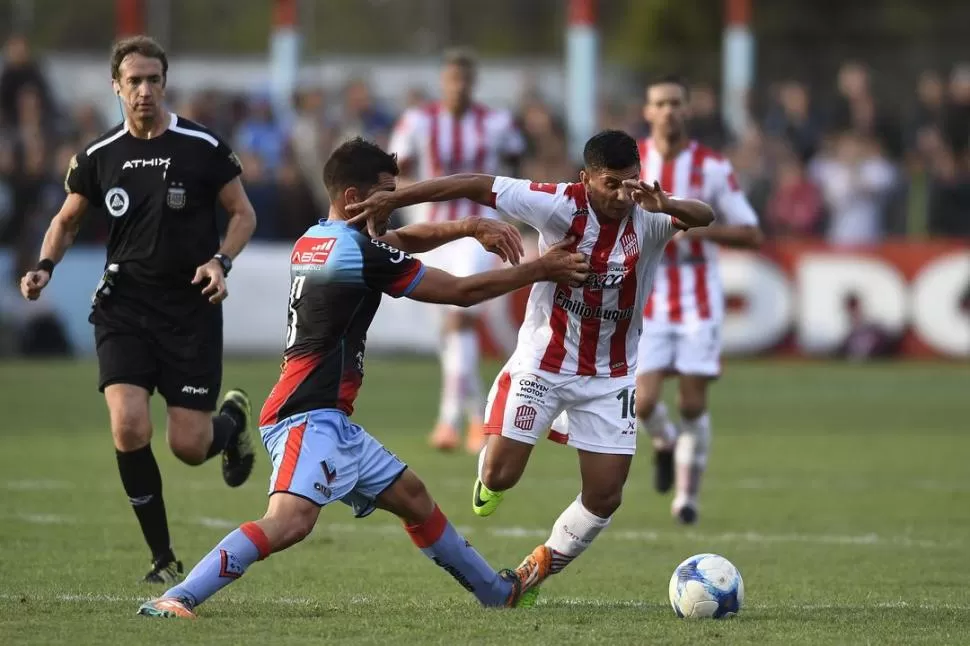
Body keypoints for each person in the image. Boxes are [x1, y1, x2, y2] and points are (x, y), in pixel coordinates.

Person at [136, 137, 590, 618]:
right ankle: (178, 596)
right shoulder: (355, 253)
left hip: (328, 416)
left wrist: (470, 226)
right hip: (305, 414)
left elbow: (398, 241)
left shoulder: (319, 238)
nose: (393, 204)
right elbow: (462, 291)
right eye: (386, 195)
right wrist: (542, 268)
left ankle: (497, 593)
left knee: (413, 497)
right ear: (355, 198)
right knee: (289, 522)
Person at [346, 130, 715, 599]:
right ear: (585, 180)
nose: (623, 195)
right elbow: (474, 184)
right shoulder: (557, 204)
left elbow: (705, 215)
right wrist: (393, 199)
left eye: (631, 182)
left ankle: (534, 570)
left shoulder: (650, 215)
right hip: (544, 364)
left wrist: (672, 207)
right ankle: (490, 468)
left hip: (611, 375)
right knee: (501, 476)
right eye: (611, 184)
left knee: (606, 496)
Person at [18, 35, 258, 582]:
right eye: (134, 81)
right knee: (128, 427)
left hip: (190, 308)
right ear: (116, 87)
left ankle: (231, 423)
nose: (145, 90)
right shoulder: (99, 156)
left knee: (189, 446)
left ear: (164, 83)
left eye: (153, 80)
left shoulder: (202, 146)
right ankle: (162, 557)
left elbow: (242, 214)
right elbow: (66, 220)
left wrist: (221, 260)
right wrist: (44, 266)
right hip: (124, 306)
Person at [634, 75, 763, 524]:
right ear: (648, 111)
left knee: (692, 401)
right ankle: (665, 441)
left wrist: (694, 225)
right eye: (660, 103)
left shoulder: (711, 166)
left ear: (687, 110)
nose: (668, 110)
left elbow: (751, 233)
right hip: (645, 295)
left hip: (698, 297)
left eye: (675, 102)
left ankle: (686, 497)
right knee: (643, 403)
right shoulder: (632, 162)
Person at [389, 47, 526, 453]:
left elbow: (519, 164)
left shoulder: (497, 122)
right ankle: (476, 419)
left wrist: (513, 210)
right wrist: (408, 199)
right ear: (443, 82)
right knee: (446, 332)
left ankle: (447, 420)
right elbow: (393, 172)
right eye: (452, 79)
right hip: (433, 231)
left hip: (478, 232)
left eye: (465, 79)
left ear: (473, 82)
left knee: (459, 320)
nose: (459, 86)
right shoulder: (418, 120)